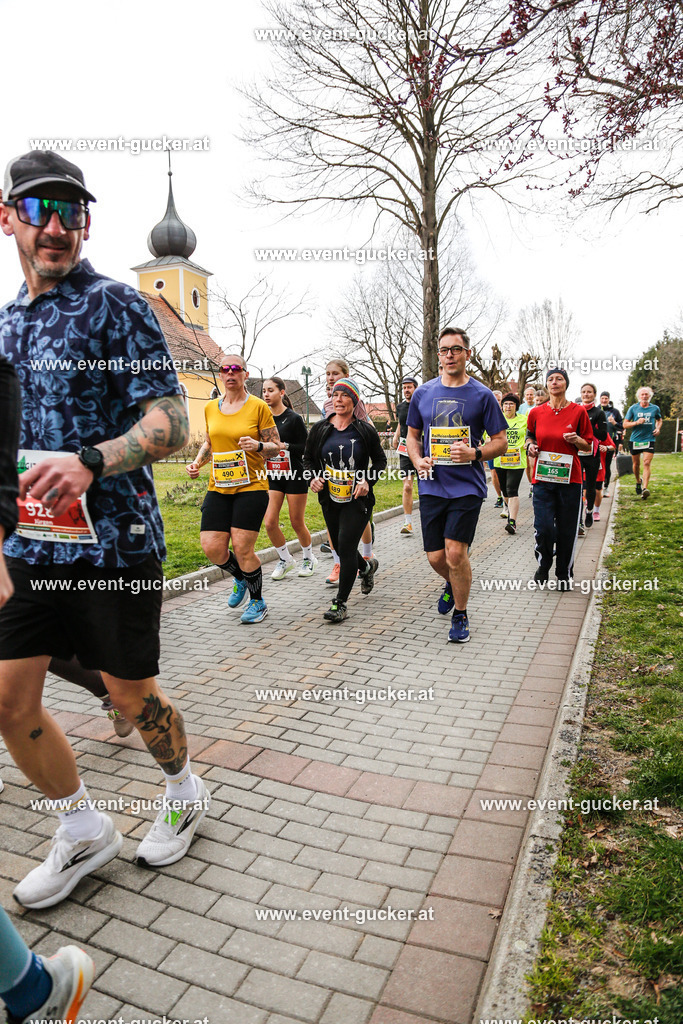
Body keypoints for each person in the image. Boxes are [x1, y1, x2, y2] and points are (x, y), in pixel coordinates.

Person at [0, 151, 209, 909]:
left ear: (86, 222)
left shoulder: (117, 306)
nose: (55, 227)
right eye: (36, 210)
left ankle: (184, 789)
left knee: (131, 698)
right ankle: (84, 827)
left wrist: (95, 459)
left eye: (70, 211)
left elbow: (174, 421)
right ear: (8, 219)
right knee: (8, 701)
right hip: (28, 548)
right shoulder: (5, 325)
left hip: (114, 543)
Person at [406, 327, 507, 643]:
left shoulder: (483, 395)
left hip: (467, 487)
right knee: (436, 557)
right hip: (432, 485)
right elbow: (411, 436)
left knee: (454, 553)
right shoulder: (423, 393)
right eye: (444, 350)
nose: (449, 355)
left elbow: (501, 442)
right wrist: (417, 459)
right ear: (439, 355)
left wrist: (475, 452)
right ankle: (452, 582)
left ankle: (460, 615)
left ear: (468, 354)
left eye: (456, 349)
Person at [186, 354, 281, 622]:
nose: (230, 373)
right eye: (224, 369)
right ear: (220, 374)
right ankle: (239, 577)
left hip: (251, 486)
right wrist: (196, 463)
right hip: (219, 485)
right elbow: (210, 443)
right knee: (212, 548)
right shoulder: (210, 408)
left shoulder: (259, 407)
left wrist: (259, 446)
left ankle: (258, 602)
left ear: (244, 374)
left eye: (235, 369)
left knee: (242, 547)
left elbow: (277, 446)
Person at [304, 379, 386, 623]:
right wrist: (313, 478)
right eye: (334, 394)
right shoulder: (319, 429)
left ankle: (340, 603)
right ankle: (367, 568)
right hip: (330, 498)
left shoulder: (364, 430)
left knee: (346, 545)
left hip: (357, 500)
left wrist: (367, 482)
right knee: (340, 547)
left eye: (344, 395)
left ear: (354, 400)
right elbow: (307, 460)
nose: (338, 399)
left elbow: (380, 461)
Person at [525, 369, 593, 588]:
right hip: (543, 479)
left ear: (566, 384)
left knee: (566, 529)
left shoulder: (578, 411)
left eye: (559, 379)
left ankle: (563, 573)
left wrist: (577, 440)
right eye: (551, 379)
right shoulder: (536, 412)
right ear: (546, 384)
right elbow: (529, 436)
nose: (554, 382)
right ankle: (544, 563)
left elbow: (589, 445)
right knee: (544, 527)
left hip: (570, 481)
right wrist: (530, 446)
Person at [261, 376, 317, 578]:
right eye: (264, 391)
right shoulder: (264, 418)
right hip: (274, 475)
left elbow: (306, 447)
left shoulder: (293, 418)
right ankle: (285, 559)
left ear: (282, 392)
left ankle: (309, 558)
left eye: (270, 390)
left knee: (296, 522)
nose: (266, 394)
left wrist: (285, 446)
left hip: (294, 474)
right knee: (269, 522)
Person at [493, 392, 527, 535]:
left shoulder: (524, 420)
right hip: (500, 460)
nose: (508, 406)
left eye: (511, 404)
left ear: (516, 406)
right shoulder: (496, 420)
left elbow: (532, 435)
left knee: (512, 490)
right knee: (505, 492)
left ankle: (512, 522)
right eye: (506, 404)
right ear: (502, 406)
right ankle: (509, 509)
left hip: (517, 461)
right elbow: (487, 438)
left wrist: (528, 442)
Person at [578, 382, 608, 533]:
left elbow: (603, 435)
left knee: (590, 487)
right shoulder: (576, 410)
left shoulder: (598, 413)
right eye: (584, 392)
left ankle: (589, 511)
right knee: (577, 487)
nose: (586, 394)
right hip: (577, 454)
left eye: (589, 392)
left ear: (594, 395)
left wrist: (588, 428)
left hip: (592, 454)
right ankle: (578, 521)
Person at [623, 386, 662, 499]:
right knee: (636, 465)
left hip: (649, 439)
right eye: (642, 394)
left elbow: (659, 420)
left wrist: (658, 428)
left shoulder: (655, 408)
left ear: (650, 396)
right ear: (639, 396)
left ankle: (645, 488)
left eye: (646, 394)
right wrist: (636, 422)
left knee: (646, 463)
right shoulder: (633, 408)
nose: (644, 396)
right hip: (635, 440)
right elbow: (625, 424)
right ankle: (638, 481)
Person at [392, 376, 419, 535]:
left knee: (424, 486)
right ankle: (408, 522)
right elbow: (402, 423)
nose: (406, 390)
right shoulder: (400, 407)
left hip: (420, 450)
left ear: (415, 388)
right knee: (407, 486)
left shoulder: (422, 404)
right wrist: (396, 436)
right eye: (404, 388)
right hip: (404, 450)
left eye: (409, 387)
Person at [599, 391, 623, 496]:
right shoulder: (596, 410)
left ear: (609, 399)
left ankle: (606, 487)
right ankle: (597, 487)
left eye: (606, 398)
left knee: (607, 465)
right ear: (600, 399)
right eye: (602, 398)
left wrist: (614, 423)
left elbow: (622, 427)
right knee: (597, 465)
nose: (604, 400)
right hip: (597, 443)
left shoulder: (615, 412)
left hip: (610, 443)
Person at [593, 429, 616, 521]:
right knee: (585, 490)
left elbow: (613, 446)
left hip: (599, 465)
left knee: (597, 489)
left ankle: (596, 511)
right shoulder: (579, 430)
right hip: (584, 466)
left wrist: (606, 448)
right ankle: (588, 508)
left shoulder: (602, 433)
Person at [488, 389, 504, 508]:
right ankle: (499, 496)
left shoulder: (506, 414)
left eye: (498, 400)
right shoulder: (486, 413)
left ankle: (506, 496)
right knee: (494, 473)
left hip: (505, 450)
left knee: (503, 474)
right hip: (490, 448)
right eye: (494, 400)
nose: (496, 402)